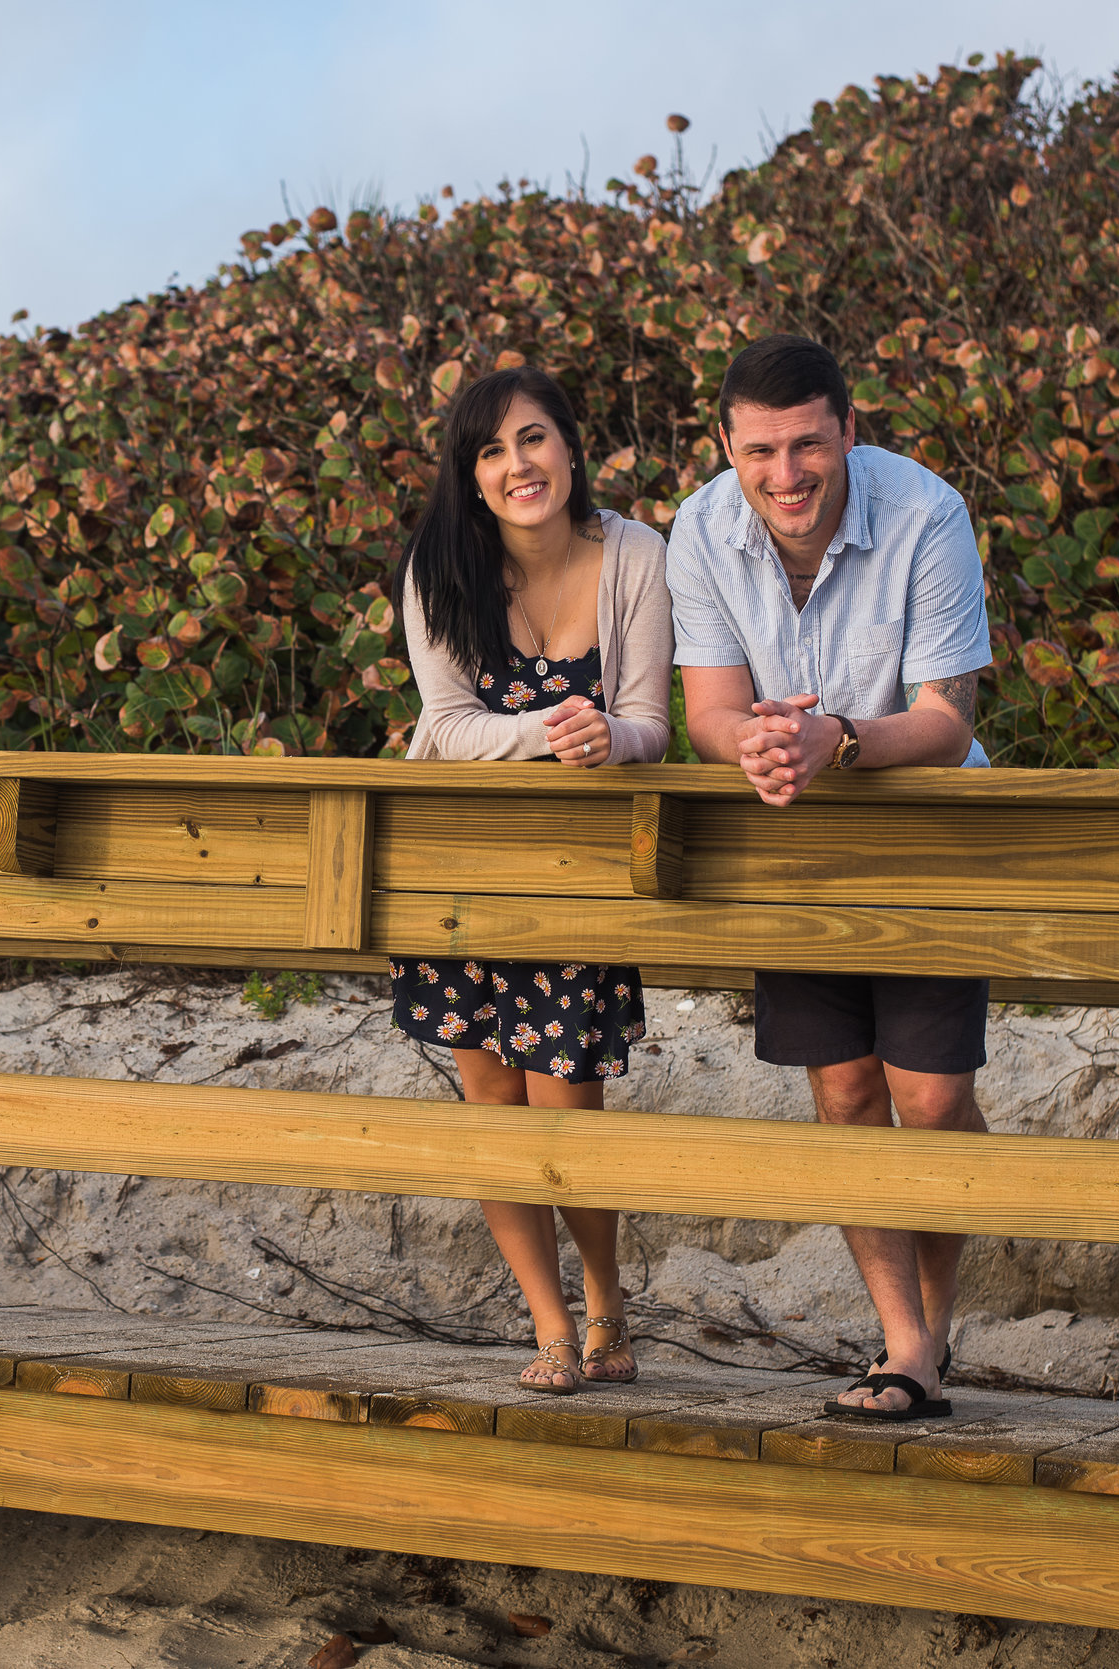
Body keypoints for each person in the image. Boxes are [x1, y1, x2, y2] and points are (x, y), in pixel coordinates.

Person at [664, 333, 994, 1422]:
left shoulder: (926, 513)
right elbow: (708, 708)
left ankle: (930, 1330)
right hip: (794, 840)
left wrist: (840, 741)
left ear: (847, 429)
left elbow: (948, 723)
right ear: (726, 445)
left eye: (807, 445)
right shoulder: (701, 527)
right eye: (759, 451)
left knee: (934, 1099)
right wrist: (749, 746)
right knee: (848, 1092)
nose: (785, 475)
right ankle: (907, 1346)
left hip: (927, 833)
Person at [391, 365, 674, 1396]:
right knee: (492, 1105)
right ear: (469, 476)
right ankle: (549, 1326)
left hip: (574, 877)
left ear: (570, 448)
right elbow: (448, 726)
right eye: (492, 450)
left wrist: (610, 735)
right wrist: (552, 733)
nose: (519, 466)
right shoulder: (438, 566)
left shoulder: (634, 554)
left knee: (567, 1104)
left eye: (535, 439)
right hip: (458, 867)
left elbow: (651, 721)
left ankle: (604, 1302)